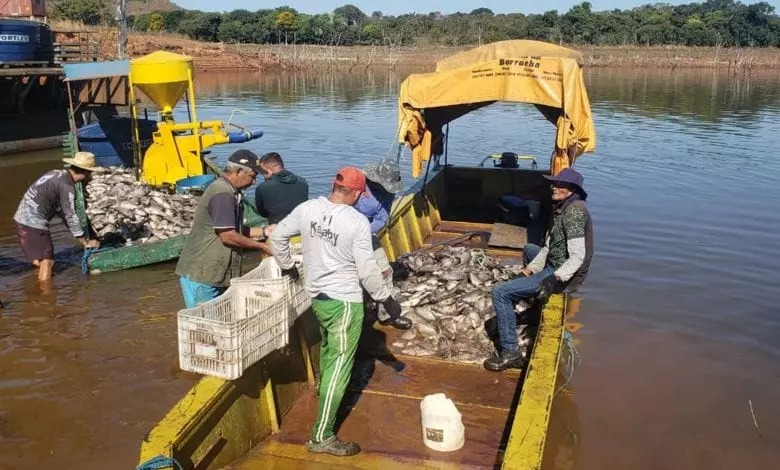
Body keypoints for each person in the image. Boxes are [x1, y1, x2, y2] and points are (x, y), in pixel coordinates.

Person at [270, 167, 404, 457]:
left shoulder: (307, 209)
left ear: (334, 186)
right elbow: (368, 270)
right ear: (357, 193)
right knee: (342, 365)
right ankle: (322, 437)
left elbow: (277, 236)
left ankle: (323, 390)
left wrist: (287, 266)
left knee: (330, 349)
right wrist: (386, 300)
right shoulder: (356, 222)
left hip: (317, 297)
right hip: (344, 302)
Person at [484, 168, 594, 372]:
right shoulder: (562, 208)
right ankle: (533, 308)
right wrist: (527, 271)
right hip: (554, 262)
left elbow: (578, 256)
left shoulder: (575, 213)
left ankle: (511, 352)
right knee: (529, 249)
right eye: (554, 183)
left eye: (560, 184)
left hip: (561, 274)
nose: (554, 187)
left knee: (500, 292)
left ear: (572, 189)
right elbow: (548, 247)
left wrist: (554, 279)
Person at [176, 149, 273, 309]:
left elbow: (235, 229)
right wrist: (262, 246)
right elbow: (228, 236)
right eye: (253, 176)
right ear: (239, 171)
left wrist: (264, 232)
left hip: (215, 273)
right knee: (206, 326)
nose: (254, 182)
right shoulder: (223, 193)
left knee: (218, 320)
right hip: (203, 275)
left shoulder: (231, 192)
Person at [14, 151, 102, 281]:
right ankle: (45, 297)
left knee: (43, 260)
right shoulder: (67, 186)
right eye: (90, 174)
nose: (90, 177)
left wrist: (83, 233)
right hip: (33, 222)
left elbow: (62, 212)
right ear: (85, 172)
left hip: (21, 217)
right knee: (48, 262)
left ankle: (35, 287)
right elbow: (70, 215)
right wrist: (85, 242)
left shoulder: (56, 173)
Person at [355, 159, 411, 330]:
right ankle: (360, 314)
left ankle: (387, 315)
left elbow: (381, 219)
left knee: (386, 271)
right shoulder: (357, 182)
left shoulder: (388, 193)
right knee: (354, 277)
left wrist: (363, 231)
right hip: (342, 233)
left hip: (366, 234)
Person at [254, 151, 309, 224]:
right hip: (301, 227)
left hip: (277, 228)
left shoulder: (263, 187)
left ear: (268, 171)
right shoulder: (303, 182)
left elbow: (263, 213)